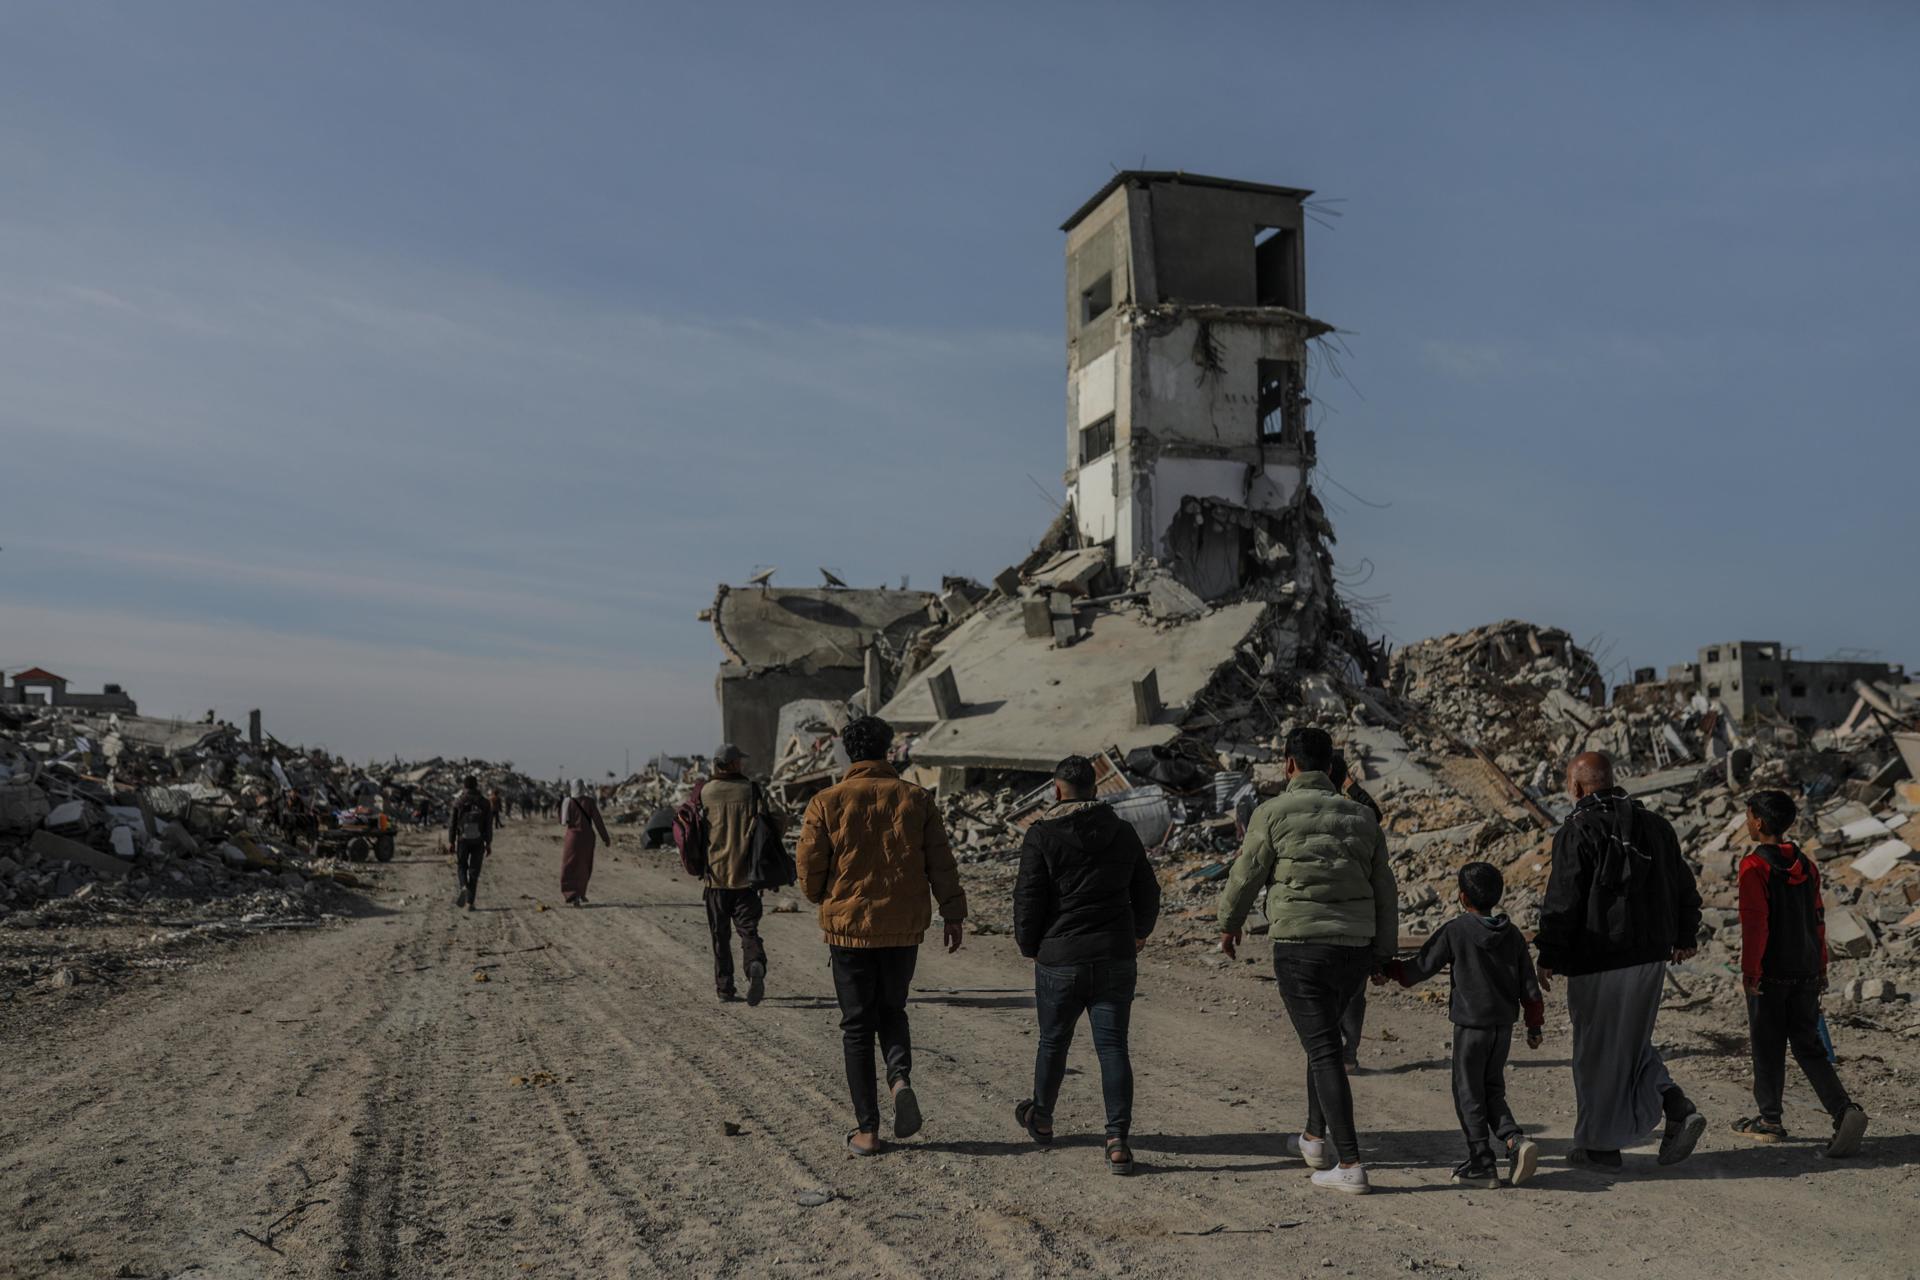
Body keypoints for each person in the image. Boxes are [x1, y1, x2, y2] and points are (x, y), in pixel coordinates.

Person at [1217, 726, 1397, 1195]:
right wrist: (1382, 953)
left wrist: (1228, 923)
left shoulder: (1272, 812)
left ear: (1289, 764)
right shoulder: (1362, 818)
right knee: (1324, 1043)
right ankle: (1315, 1140)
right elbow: (1386, 892)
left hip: (1300, 948)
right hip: (1354, 949)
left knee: (1322, 1049)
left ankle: (1351, 1164)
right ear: (1331, 766)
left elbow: (1247, 872)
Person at [797, 715, 967, 1157]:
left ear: (848, 753)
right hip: (903, 929)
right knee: (893, 1010)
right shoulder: (917, 799)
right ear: (888, 749)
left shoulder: (825, 801)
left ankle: (868, 1131)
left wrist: (822, 895)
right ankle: (899, 1077)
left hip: (848, 931)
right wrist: (953, 914)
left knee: (857, 1026)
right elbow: (941, 862)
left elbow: (809, 868)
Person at [1535, 751, 1705, 1172]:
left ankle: (1599, 1148)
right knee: (1627, 1043)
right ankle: (1674, 1103)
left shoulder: (1578, 829)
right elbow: (1684, 885)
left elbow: (1565, 899)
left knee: (1596, 1051)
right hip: (1650, 957)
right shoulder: (1655, 826)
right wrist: (1685, 936)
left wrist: (1549, 954)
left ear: (1575, 787)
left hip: (1598, 959)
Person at [1011, 755, 1161, 1175]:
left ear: (1056, 790)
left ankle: (1041, 1118)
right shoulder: (1123, 832)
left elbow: (1028, 898)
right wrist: (1139, 932)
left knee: (1053, 1042)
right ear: (1095, 789)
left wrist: (1029, 945)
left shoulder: (1040, 835)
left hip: (1060, 959)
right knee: (1113, 1047)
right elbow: (1148, 890)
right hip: (1114, 954)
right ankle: (1117, 1139)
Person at [1382, 862, 1545, 1189]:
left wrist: (1387, 969)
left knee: (1468, 1091)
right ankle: (1514, 1140)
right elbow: (1529, 986)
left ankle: (1481, 1161)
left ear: (1462, 896)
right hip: (1503, 1027)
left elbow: (1419, 969)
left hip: (1472, 1027)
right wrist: (1534, 1025)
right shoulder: (1512, 935)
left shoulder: (1455, 931)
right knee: (1492, 1088)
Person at [1731, 790, 1868, 1155]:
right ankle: (1843, 1110)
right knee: (1809, 1048)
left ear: (1759, 822)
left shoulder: (1753, 867)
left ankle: (1770, 1119)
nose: (1747, 823)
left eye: (1748, 817)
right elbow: (1817, 920)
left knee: (1767, 1046)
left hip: (1770, 972)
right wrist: (1820, 966)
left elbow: (1755, 925)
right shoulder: (1806, 865)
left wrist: (1750, 973)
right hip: (1806, 970)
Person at [701, 744, 775, 1005]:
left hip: (715, 877)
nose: (742, 765)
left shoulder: (705, 791)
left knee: (720, 936)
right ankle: (754, 962)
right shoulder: (750, 790)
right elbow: (772, 822)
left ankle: (724, 988)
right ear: (731, 764)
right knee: (748, 930)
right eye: (739, 761)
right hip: (746, 877)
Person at [1328, 750, 1381, 1074]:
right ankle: (1347, 1052)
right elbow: (1375, 814)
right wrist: (1351, 784)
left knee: (1328, 988)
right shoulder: (1357, 814)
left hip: (1324, 914)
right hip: (1357, 914)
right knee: (1353, 992)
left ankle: (1333, 1051)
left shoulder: (1305, 807)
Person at [559, 779, 609, 906]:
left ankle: (570, 893)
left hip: (573, 837)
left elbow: (564, 821)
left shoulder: (567, 801)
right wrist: (605, 837)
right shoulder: (590, 801)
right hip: (587, 838)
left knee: (569, 865)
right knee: (584, 866)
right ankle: (581, 893)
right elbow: (598, 821)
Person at [447, 775, 493, 911]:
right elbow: (488, 825)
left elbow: (452, 823)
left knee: (461, 865)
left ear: (464, 786)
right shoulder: (484, 802)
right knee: (474, 871)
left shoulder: (459, 801)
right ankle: (470, 903)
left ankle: (463, 886)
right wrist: (488, 843)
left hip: (463, 839)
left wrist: (451, 841)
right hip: (478, 840)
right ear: (476, 785)